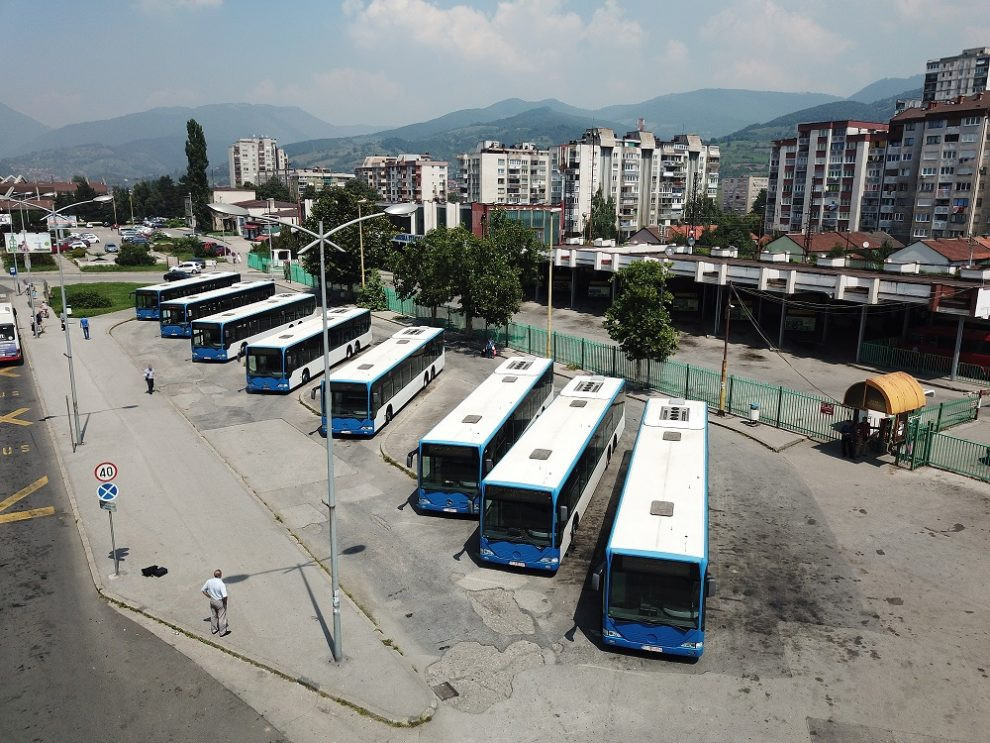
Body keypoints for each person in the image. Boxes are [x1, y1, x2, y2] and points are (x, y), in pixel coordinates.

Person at [201, 569, 229, 637]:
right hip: (219, 601)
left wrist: (210, 596)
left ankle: (214, 629)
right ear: (221, 575)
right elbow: (225, 596)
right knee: (222, 617)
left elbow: (203, 590)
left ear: (214, 575)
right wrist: (225, 603)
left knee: (214, 615)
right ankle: (222, 632)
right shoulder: (221, 584)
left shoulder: (209, 581)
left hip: (212, 600)